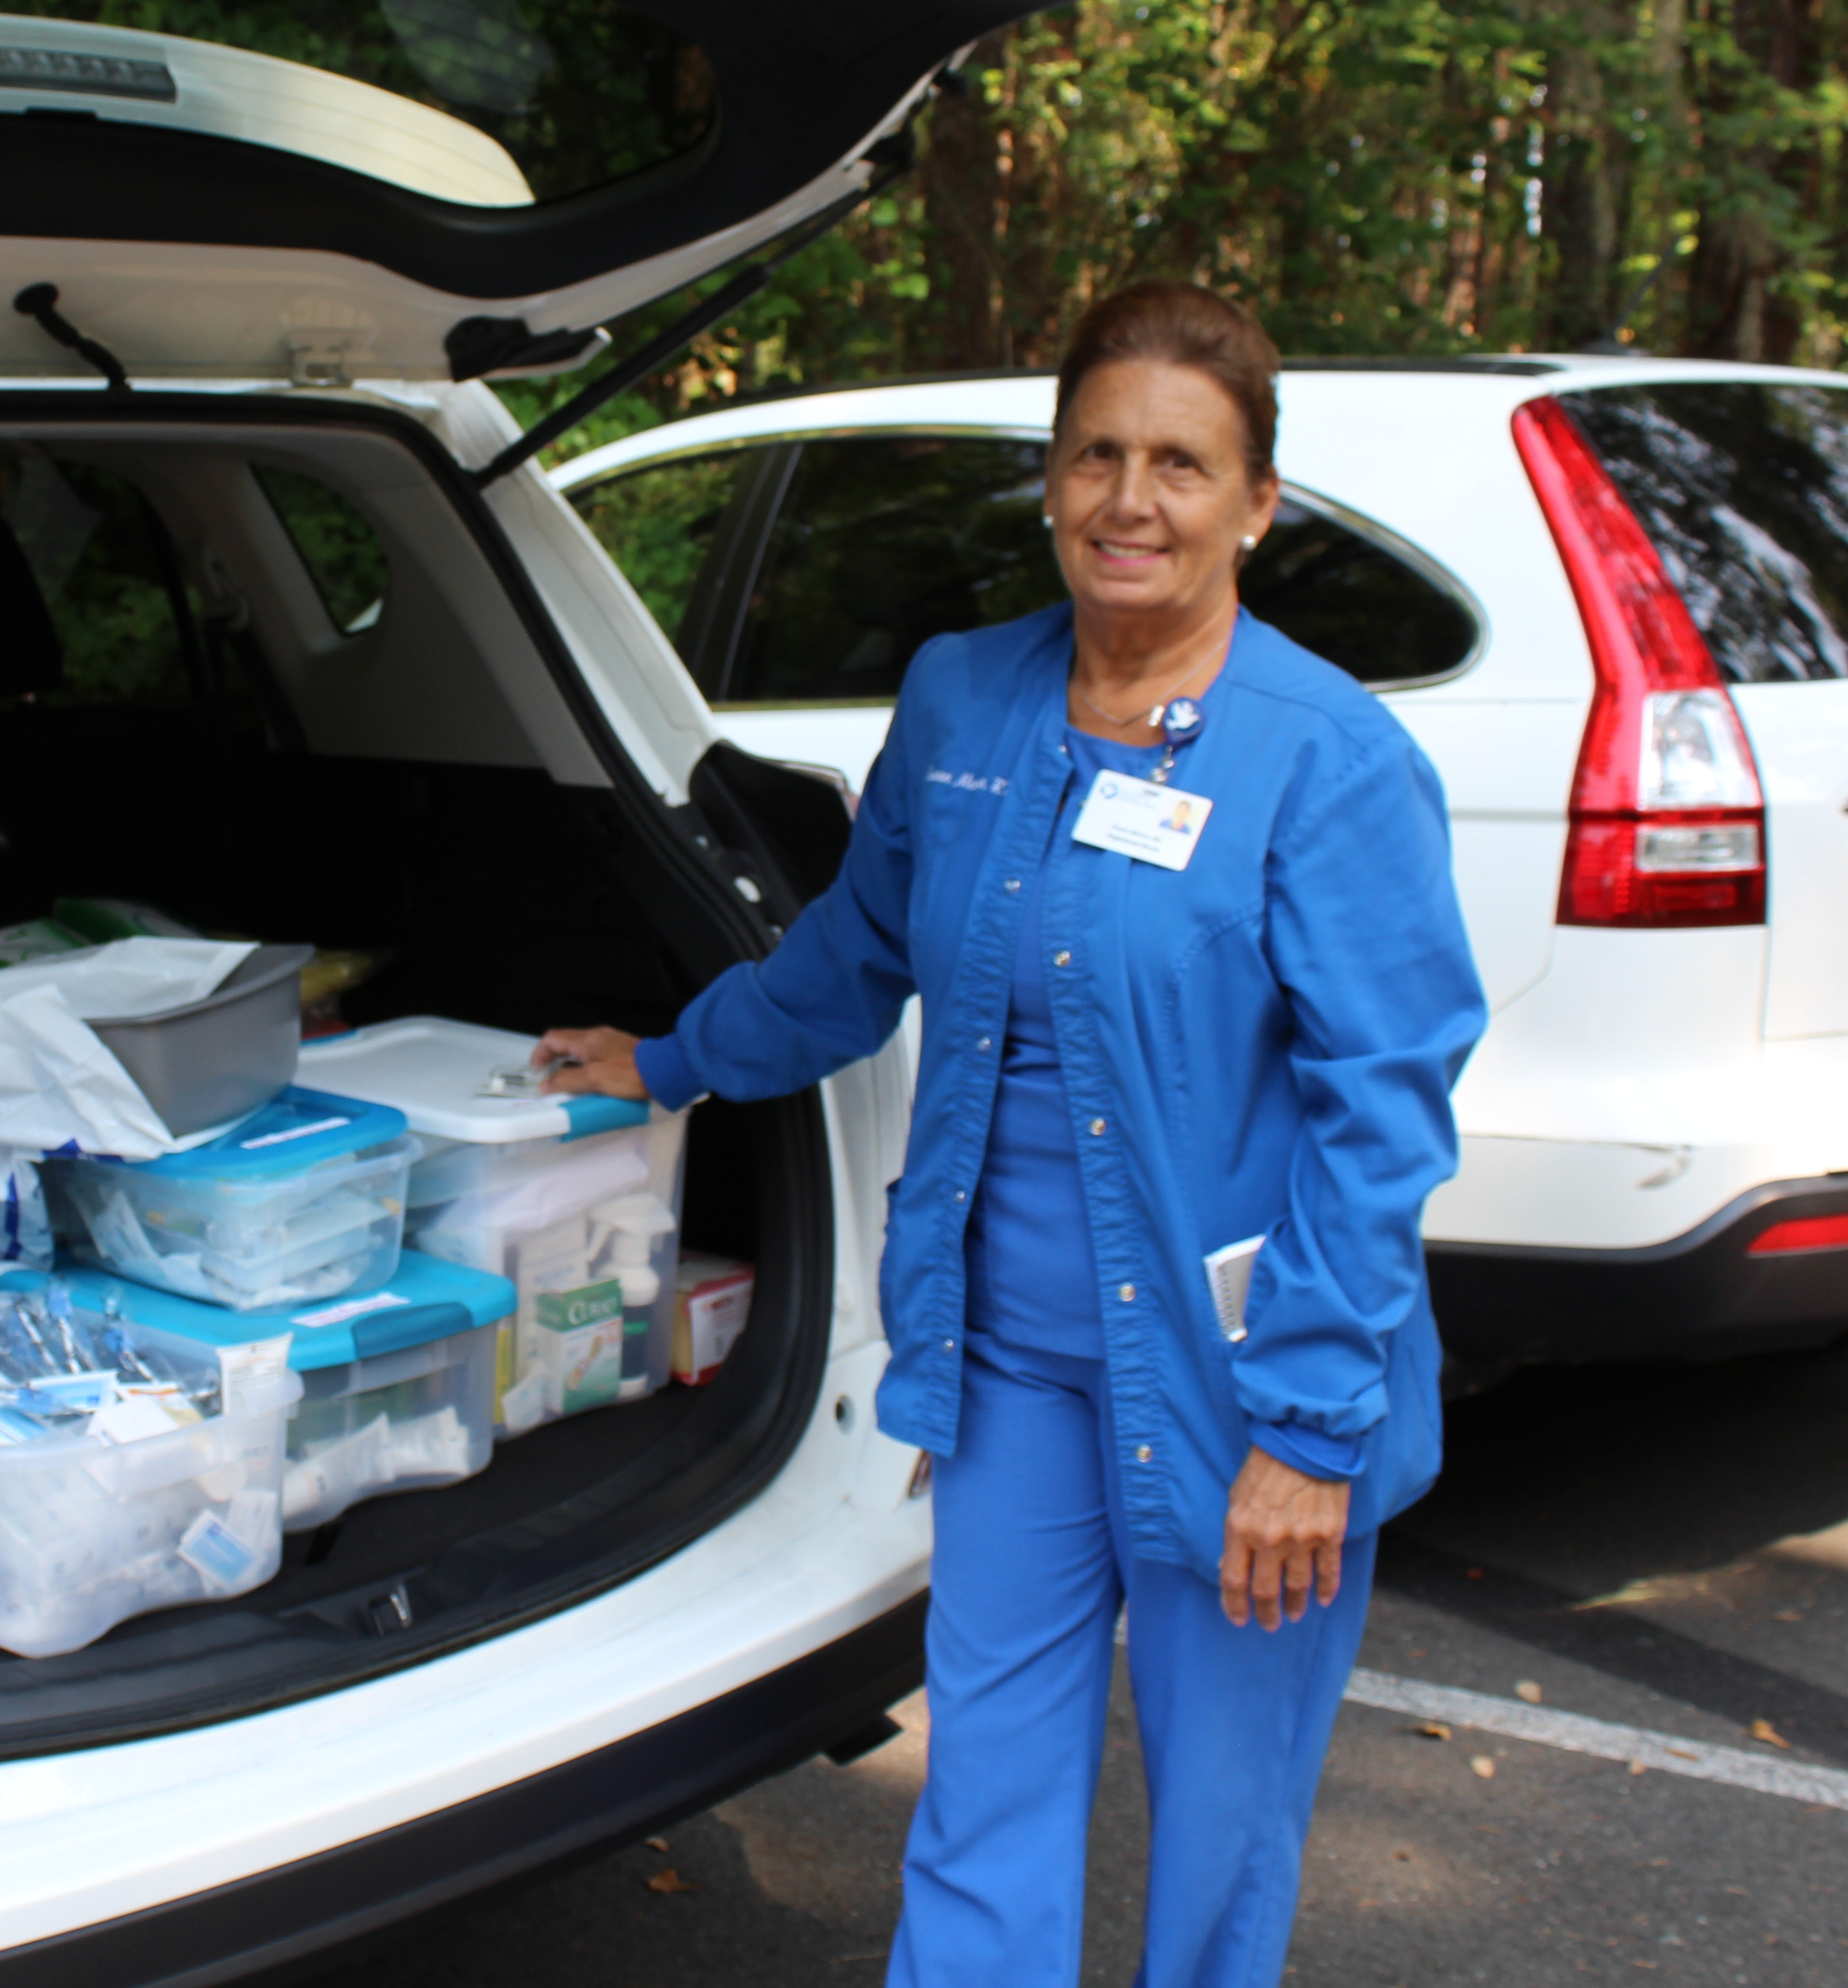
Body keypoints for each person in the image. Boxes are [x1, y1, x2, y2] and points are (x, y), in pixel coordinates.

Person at [537, 281, 1487, 1987]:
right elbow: (853, 958)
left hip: (1242, 1388)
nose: (1136, 499)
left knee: (1218, 1840)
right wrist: (668, 1060)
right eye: (1099, 454)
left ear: (1256, 505)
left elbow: (1382, 1115)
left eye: (1184, 465)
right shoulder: (967, 703)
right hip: (1014, 1377)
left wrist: (1313, 1433)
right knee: (983, 1801)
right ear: (1051, 479)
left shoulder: (1331, 761)